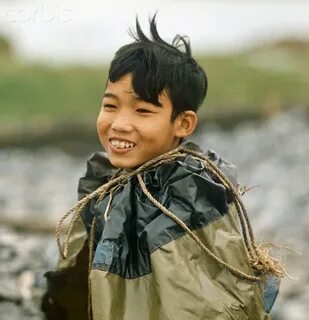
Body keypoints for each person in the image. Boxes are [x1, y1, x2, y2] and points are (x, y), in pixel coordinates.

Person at [41, 15, 283, 320]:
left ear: (183, 123)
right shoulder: (107, 185)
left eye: (143, 110)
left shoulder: (189, 197)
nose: (119, 124)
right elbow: (77, 279)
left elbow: (199, 305)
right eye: (110, 106)